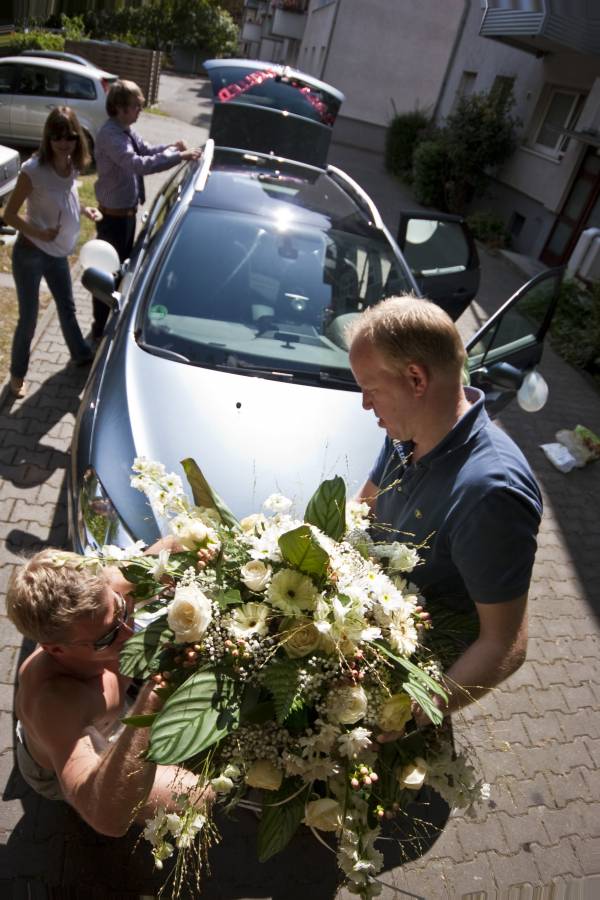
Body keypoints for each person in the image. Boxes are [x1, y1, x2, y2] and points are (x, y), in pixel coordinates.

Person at [348, 295, 542, 729]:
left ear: (416, 378)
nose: (365, 405)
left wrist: (407, 717)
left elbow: (505, 643)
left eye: (370, 389)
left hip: (409, 682)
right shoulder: (407, 431)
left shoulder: (491, 494)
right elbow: (363, 509)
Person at [6, 547, 212, 836]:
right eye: (107, 637)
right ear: (56, 649)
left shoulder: (110, 589)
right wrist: (150, 703)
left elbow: (178, 546)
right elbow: (106, 816)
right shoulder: (55, 703)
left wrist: (203, 554)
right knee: (196, 796)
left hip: (107, 715)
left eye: (122, 610)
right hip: (63, 754)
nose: (129, 633)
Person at [92, 79, 202, 341]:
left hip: (126, 215)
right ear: (120, 107)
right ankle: (98, 331)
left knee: (121, 273)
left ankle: (106, 326)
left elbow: (147, 150)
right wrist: (180, 157)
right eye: (136, 106)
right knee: (107, 275)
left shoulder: (125, 130)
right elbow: (139, 164)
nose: (140, 111)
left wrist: (172, 147)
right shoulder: (111, 135)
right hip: (113, 219)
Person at [4, 106, 101, 399]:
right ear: (48, 137)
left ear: (77, 138)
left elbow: (66, 198)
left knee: (68, 307)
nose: (64, 142)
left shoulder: (72, 164)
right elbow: (8, 215)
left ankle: (81, 354)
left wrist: (85, 210)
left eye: (69, 136)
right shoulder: (33, 170)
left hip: (58, 254)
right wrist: (38, 232)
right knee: (29, 318)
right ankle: (17, 376)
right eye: (57, 137)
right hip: (30, 253)